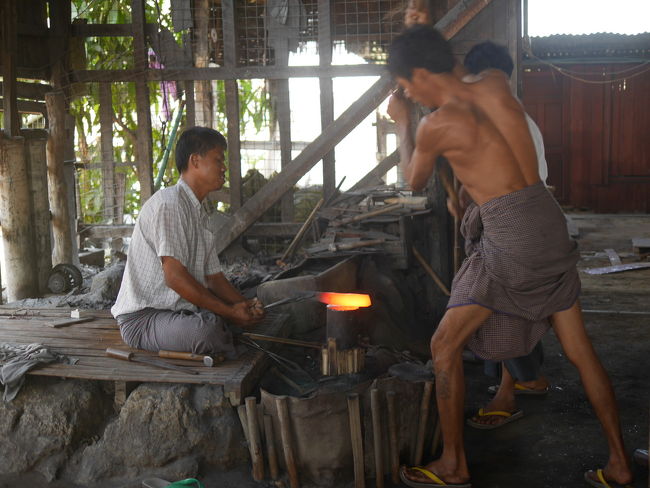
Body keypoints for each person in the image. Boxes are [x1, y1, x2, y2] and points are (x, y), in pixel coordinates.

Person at [386, 26, 632, 487]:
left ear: (419, 76)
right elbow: (454, 77)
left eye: (406, 84)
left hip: (513, 237)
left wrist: (403, 120)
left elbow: (414, 180)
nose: (407, 92)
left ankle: (454, 463)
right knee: (582, 353)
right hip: (547, 220)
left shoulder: (436, 125)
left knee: (443, 346)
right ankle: (619, 462)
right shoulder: (495, 85)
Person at [111, 127, 265, 359]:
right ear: (195, 161)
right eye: (218, 160)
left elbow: (213, 279)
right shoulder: (170, 204)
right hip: (143, 319)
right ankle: (225, 335)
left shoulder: (198, 213)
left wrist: (245, 306)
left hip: (177, 313)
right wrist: (230, 312)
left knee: (234, 311)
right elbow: (174, 278)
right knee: (208, 330)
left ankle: (228, 327)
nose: (224, 167)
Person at [462, 41, 551, 429]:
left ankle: (509, 391)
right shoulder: (512, 115)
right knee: (515, 307)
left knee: (506, 310)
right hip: (523, 221)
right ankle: (525, 378)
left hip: (517, 225)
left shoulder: (501, 118)